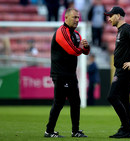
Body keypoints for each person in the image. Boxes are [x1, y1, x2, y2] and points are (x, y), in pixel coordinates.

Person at [44, 8, 90, 138]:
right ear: (66, 18)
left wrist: (86, 46)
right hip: (60, 73)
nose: (77, 20)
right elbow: (72, 51)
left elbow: (85, 52)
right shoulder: (61, 32)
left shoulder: (76, 34)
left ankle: (75, 131)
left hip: (70, 74)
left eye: (78, 17)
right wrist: (81, 48)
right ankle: (49, 131)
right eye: (74, 17)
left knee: (76, 102)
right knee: (59, 102)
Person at [104, 6, 130, 138]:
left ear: (118, 16)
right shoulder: (121, 30)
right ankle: (125, 129)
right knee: (124, 100)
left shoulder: (127, 29)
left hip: (125, 70)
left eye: (111, 16)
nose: (109, 19)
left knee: (112, 96)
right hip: (122, 69)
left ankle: (126, 127)